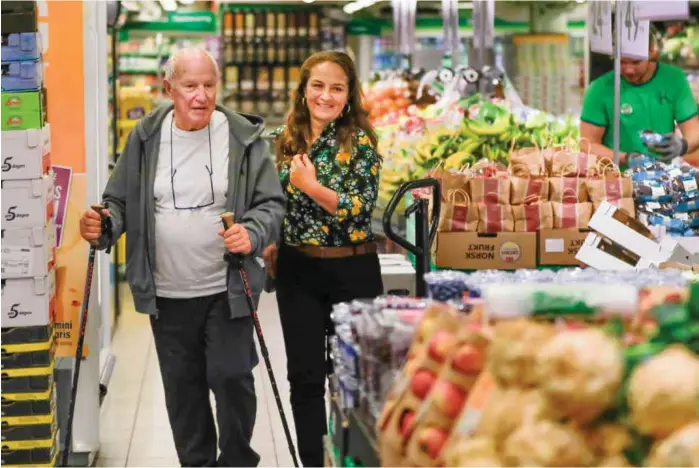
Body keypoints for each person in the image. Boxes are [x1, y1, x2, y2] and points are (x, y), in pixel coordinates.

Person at [79, 47, 285, 467]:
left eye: (209, 85)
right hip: (168, 294)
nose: (201, 96)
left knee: (231, 378)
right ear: (168, 88)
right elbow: (118, 200)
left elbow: (271, 204)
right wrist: (103, 224)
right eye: (190, 86)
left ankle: (238, 460)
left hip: (227, 288)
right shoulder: (145, 137)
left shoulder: (242, 138)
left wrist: (253, 231)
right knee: (183, 391)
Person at [263, 51, 384, 467]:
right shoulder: (283, 140)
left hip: (353, 269)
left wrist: (311, 186)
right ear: (303, 89)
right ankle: (312, 461)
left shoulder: (362, 140)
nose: (326, 96)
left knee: (358, 376)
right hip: (298, 271)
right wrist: (269, 238)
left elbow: (359, 207)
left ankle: (356, 458)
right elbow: (272, 201)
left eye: (337, 88)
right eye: (318, 85)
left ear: (349, 94)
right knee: (306, 377)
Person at [580, 27, 699, 169]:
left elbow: (694, 131)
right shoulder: (599, 89)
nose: (628, 69)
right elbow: (587, 145)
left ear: (651, 52)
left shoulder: (674, 80)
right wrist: (626, 158)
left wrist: (682, 145)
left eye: (636, 62)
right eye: (621, 62)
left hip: (661, 181)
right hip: (616, 181)